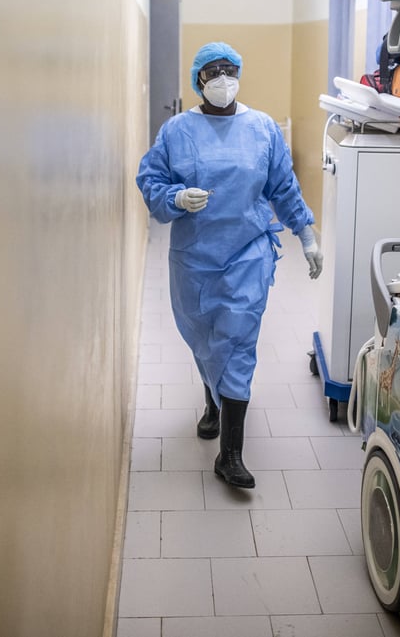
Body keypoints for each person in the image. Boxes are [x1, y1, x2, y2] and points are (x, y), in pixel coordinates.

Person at [136, 42, 322, 489]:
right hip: (195, 258)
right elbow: (150, 178)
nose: (221, 79)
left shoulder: (262, 128)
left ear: (238, 74)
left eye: (229, 70)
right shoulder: (177, 130)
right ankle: (213, 404)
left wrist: (307, 234)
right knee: (204, 337)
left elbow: (283, 185)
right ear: (198, 80)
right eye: (212, 72)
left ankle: (230, 455)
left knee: (237, 341)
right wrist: (174, 198)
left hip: (248, 253)